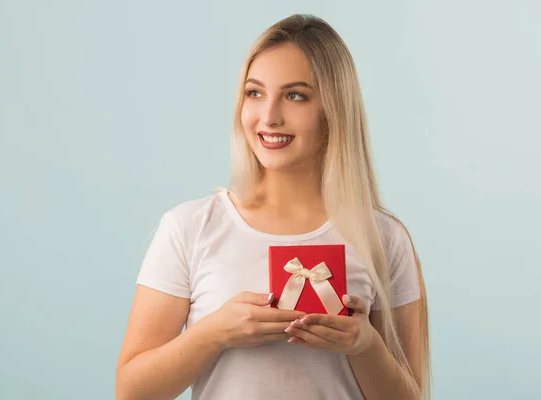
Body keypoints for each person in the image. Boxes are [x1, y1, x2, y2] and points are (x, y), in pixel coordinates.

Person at [115, 14, 431, 400]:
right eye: (255, 93)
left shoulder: (384, 239)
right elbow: (131, 391)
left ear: (334, 107)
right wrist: (215, 332)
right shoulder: (189, 228)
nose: (268, 118)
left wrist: (365, 346)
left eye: (295, 95)